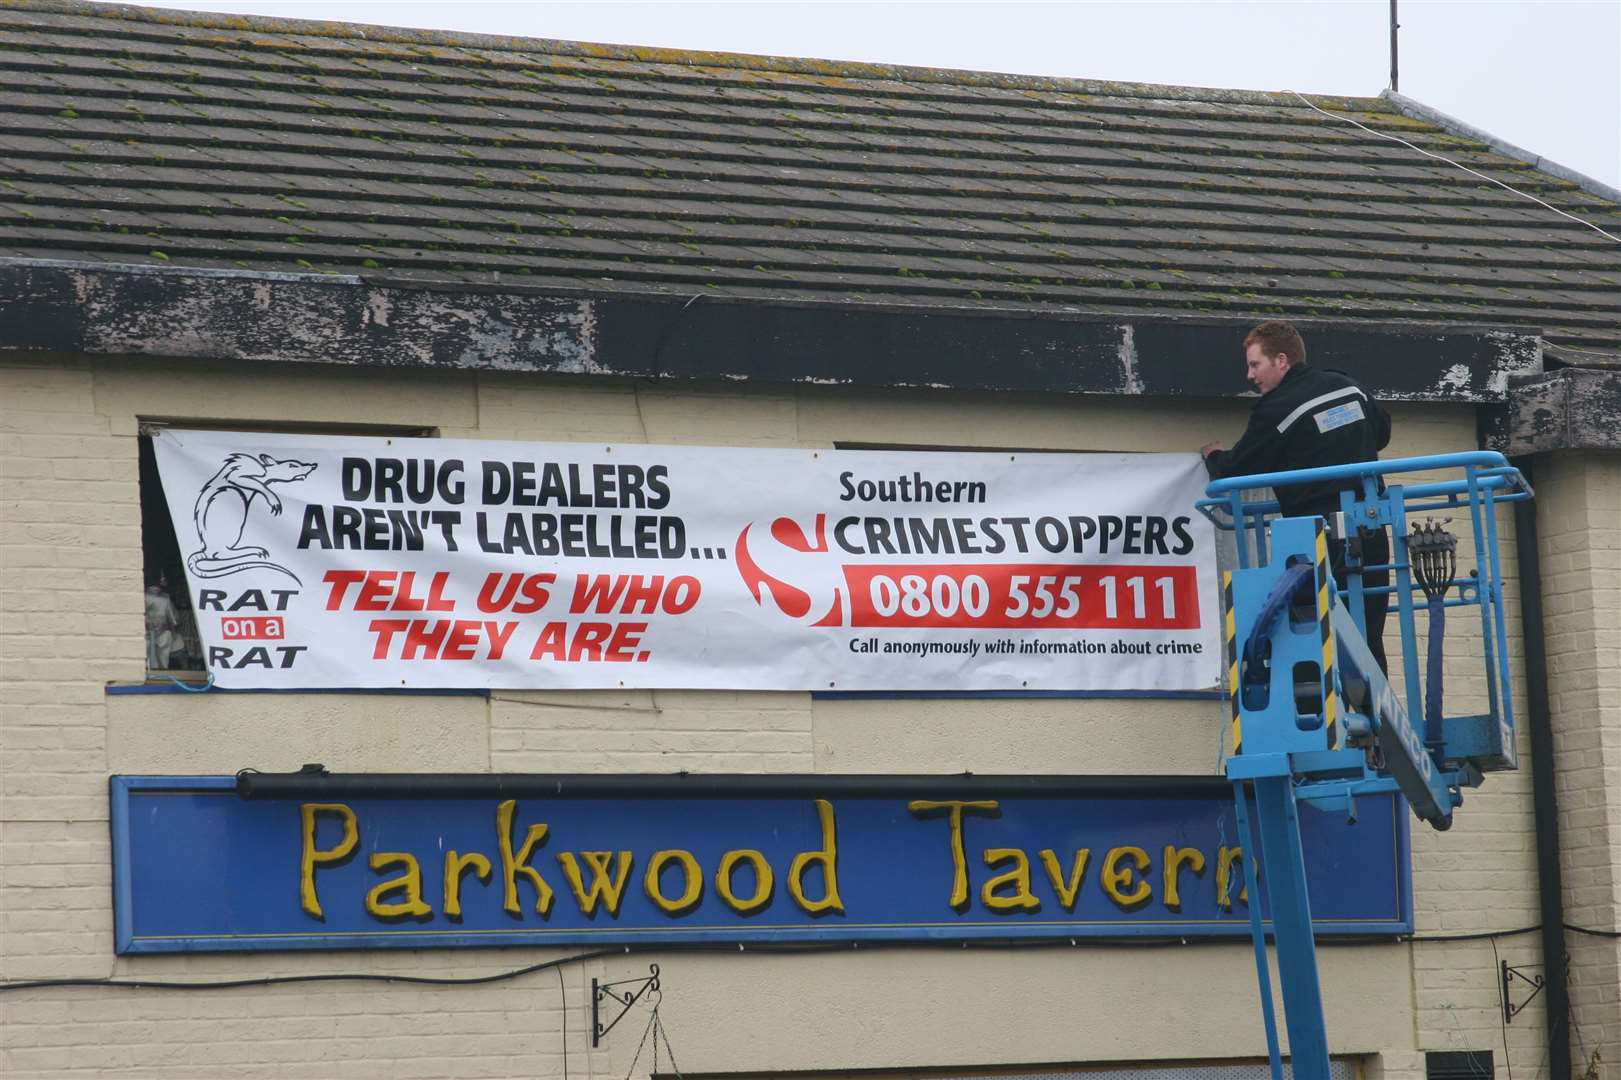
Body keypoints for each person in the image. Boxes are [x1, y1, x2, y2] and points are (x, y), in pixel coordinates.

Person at [1200, 320, 1392, 673]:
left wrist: (1213, 455)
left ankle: (1329, 717)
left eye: (1255, 364)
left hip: (1318, 540)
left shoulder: (1277, 409)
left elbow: (1234, 472)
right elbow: (1380, 433)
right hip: (1371, 531)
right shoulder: (1347, 387)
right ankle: (1373, 722)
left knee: (1309, 637)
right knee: (1366, 640)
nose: (1249, 374)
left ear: (1282, 361)